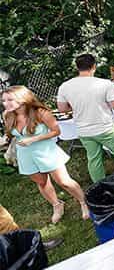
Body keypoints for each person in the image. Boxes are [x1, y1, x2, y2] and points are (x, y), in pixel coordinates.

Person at [2, 85, 89, 223]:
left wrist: (34, 138)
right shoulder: (7, 115)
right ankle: (57, 204)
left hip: (45, 151)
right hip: (25, 155)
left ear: (22, 99)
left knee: (64, 181)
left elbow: (56, 131)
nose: (5, 103)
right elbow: (12, 134)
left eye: (9, 100)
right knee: (42, 182)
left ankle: (84, 202)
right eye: (4, 100)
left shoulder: (40, 113)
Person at [56, 53, 114, 183]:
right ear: (94, 67)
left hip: (84, 131)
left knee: (94, 158)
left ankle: (99, 186)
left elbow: (62, 109)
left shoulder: (65, 86)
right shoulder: (105, 84)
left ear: (77, 67)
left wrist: (76, 106)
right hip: (107, 128)